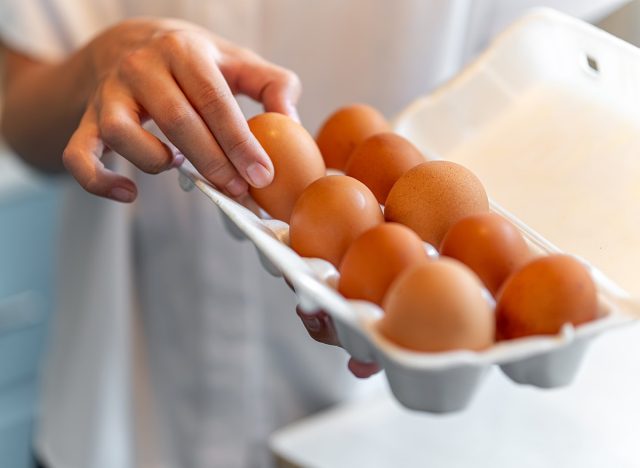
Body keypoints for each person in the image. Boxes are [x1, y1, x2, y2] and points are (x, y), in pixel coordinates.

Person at [0, 1, 628, 467]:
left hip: (385, 435)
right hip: (121, 419)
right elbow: (15, 100)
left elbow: (549, 77)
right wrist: (99, 64)